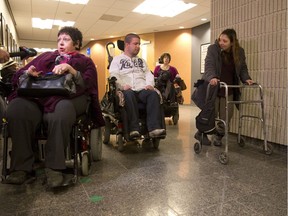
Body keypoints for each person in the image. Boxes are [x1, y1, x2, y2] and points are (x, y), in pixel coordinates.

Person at [5, 26, 105, 186]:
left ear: (77, 43)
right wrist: (27, 73)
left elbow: (89, 85)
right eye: (59, 39)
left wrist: (72, 70)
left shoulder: (85, 61)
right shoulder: (46, 57)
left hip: (71, 98)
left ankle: (54, 168)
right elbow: (18, 76)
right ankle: (21, 168)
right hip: (39, 97)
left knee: (60, 111)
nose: (61, 43)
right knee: (17, 109)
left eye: (66, 39)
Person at [195, 28, 254, 146]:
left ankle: (219, 136)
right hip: (214, 87)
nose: (221, 42)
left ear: (232, 43)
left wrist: (246, 78)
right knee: (211, 113)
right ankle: (202, 133)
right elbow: (209, 65)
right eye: (220, 39)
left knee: (226, 115)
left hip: (229, 89)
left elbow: (242, 68)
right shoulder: (213, 49)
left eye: (225, 41)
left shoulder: (239, 52)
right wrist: (212, 77)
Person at [109, 33, 165, 139]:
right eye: (135, 44)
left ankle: (154, 129)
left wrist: (149, 84)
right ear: (127, 45)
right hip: (127, 89)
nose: (138, 46)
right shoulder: (117, 60)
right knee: (128, 94)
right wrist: (121, 85)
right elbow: (114, 75)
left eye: (139, 44)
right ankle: (133, 129)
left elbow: (148, 74)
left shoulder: (142, 61)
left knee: (153, 94)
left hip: (141, 89)